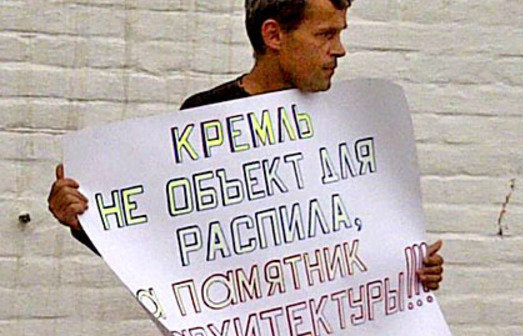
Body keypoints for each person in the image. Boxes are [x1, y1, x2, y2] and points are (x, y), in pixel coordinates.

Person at [47, 0, 444, 291]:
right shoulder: (207, 116)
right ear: (273, 35)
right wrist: (87, 223)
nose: (339, 49)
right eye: (326, 34)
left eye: (340, 33)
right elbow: (171, 243)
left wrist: (410, 269)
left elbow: (356, 234)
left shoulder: (346, 122)